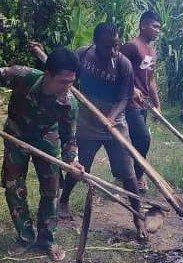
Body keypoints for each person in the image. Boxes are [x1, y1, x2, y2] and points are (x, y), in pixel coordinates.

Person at [30, 24, 147, 239]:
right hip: (86, 118)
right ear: (96, 43)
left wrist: (111, 118)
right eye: (108, 46)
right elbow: (63, 72)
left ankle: (138, 217)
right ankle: (64, 201)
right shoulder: (83, 55)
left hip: (115, 121)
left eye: (116, 45)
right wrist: (40, 54)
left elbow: (124, 97)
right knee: (80, 165)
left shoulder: (124, 64)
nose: (113, 50)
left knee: (128, 173)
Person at [0, 47, 85, 261]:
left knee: (52, 189)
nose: (67, 87)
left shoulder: (69, 104)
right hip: (16, 133)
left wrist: (73, 161)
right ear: (48, 75)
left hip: (46, 138)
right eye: (63, 81)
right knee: (14, 186)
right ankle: (25, 236)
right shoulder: (22, 76)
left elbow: (69, 138)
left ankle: (47, 239)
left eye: (71, 82)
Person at [120, 10, 162, 193]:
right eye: (154, 26)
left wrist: (157, 105)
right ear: (143, 25)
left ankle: (128, 174)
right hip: (128, 102)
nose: (157, 30)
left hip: (143, 103)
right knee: (144, 138)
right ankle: (138, 176)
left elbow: (150, 80)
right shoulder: (131, 46)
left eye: (159, 28)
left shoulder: (151, 51)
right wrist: (131, 89)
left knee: (137, 141)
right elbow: (117, 69)